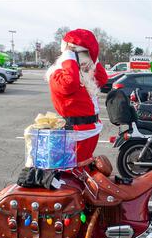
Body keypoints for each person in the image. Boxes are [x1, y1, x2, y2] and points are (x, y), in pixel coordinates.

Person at [45, 28, 108, 164]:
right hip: (76, 134)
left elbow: (102, 79)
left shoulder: (81, 74)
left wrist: (93, 60)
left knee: (83, 168)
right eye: (84, 54)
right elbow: (70, 84)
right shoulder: (58, 74)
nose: (87, 59)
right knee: (75, 170)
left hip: (89, 130)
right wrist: (70, 55)